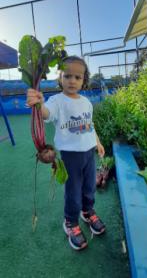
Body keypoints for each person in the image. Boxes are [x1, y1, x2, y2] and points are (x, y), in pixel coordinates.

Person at [27, 55, 106, 250]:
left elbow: (90, 124)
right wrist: (39, 103)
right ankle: (70, 222)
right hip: (70, 156)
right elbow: (47, 113)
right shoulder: (57, 100)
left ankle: (87, 212)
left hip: (89, 152)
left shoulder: (86, 102)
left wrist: (98, 142)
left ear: (83, 80)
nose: (72, 80)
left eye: (77, 77)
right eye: (67, 75)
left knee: (89, 187)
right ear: (60, 77)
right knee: (73, 191)